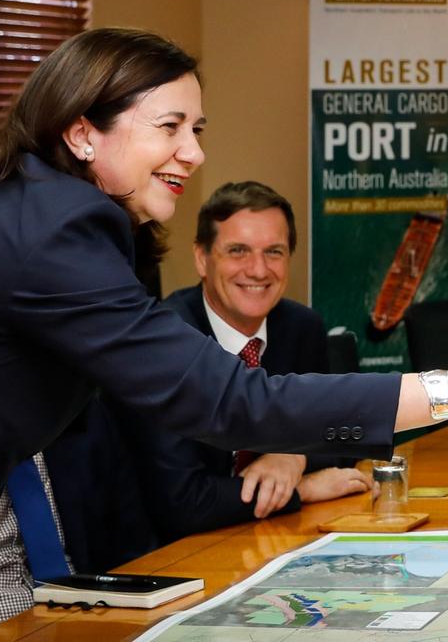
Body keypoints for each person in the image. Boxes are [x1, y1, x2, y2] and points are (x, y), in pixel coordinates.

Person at [0, 28, 448, 641]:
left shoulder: (76, 222)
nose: (194, 153)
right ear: (81, 135)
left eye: (197, 128)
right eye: (171, 127)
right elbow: (227, 404)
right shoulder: (54, 229)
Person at [124, 180, 373, 544]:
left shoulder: (301, 327)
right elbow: (181, 504)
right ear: (201, 258)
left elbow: (345, 434)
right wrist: (299, 491)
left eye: (274, 252)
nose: (258, 270)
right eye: (238, 251)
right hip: (170, 556)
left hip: (270, 537)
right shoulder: (163, 345)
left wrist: (293, 457)